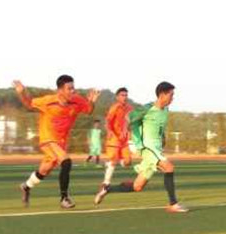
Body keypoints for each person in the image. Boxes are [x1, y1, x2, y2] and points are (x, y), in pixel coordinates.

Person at [94, 81, 188, 212]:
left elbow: (160, 127)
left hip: (156, 149)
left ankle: (107, 189)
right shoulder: (147, 108)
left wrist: (163, 138)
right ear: (162, 95)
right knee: (169, 167)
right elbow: (128, 117)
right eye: (171, 95)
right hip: (147, 148)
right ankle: (173, 204)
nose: (173, 98)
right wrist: (125, 128)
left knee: (137, 186)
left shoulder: (165, 110)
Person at [14, 75, 100, 208]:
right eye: (69, 88)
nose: (73, 91)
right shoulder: (48, 101)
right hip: (48, 139)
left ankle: (26, 186)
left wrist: (92, 102)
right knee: (66, 162)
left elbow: (89, 110)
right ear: (60, 90)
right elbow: (29, 103)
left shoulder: (77, 101)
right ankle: (64, 198)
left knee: (44, 170)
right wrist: (21, 92)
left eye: (73, 87)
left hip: (61, 141)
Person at [101, 87, 133, 189]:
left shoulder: (129, 108)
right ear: (117, 97)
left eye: (126, 95)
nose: (125, 97)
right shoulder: (114, 107)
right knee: (113, 160)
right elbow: (107, 121)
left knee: (127, 162)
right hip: (114, 137)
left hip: (124, 139)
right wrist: (109, 131)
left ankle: (110, 163)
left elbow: (130, 121)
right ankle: (106, 183)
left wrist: (129, 131)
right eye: (122, 95)